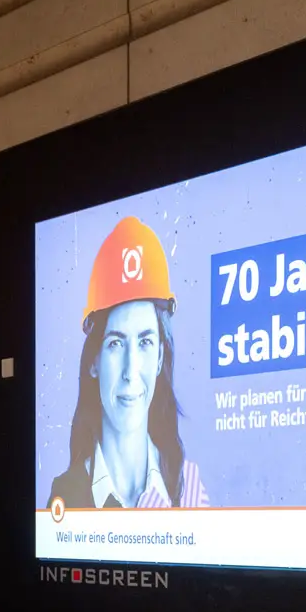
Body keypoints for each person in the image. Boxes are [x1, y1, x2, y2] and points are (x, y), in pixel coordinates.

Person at [49, 216, 208, 510]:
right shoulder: (65, 496)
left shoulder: (189, 489)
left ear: (160, 356)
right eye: (115, 343)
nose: (130, 370)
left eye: (145, 342)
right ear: (94, 362)